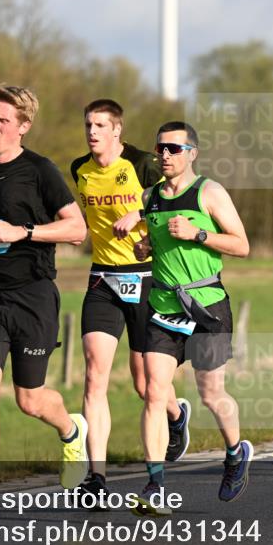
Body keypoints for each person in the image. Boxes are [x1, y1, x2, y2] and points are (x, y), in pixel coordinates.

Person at [0, 84, 89, 525]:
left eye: (3, 120)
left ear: (23, 126)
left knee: (29, 400)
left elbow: (76, 229)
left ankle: (72, 429)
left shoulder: (40, 171)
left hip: (33, 296)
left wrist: (23, 232)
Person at [70, 99, 190, 506]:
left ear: (117, 130)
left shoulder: (142, 164)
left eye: (101, 125)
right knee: (94, 375)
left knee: (145, 383)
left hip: (145, 279)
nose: (92, 132)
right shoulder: (79, 169)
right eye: (88, 124)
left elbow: (172, 193)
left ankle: (176, 416)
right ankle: (96, 478)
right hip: (103, 277)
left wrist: (138, 213)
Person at [132, 121, 252, 514]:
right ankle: (155, 484)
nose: (165, 155)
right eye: (161, 149)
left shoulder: (209, 192)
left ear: (192, 154)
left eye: (174, 149)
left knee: (211, 395)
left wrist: (199, 235)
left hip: (206, 307)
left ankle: (235, 454)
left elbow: (242, 245)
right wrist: (144, 246)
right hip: (164, 307)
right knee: (153, 391)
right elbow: (151, 247)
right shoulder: (149, 197)